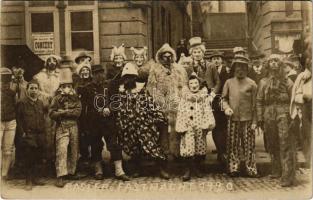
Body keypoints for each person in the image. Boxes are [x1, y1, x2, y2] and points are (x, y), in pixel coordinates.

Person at [115, 63, 170, 179]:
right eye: (126, 78)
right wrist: (122, 124)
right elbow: (120, 111)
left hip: (144, 124)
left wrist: (158, 117)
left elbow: (151, 105)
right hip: (129, 126)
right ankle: (137, 169)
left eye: (131, 77)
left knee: (151, 145)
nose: (129, 80)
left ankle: (161, 168)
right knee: (132, 147)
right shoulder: (122, 94)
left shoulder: (142, 91)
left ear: (135, 78)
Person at [79, 64, 130, 181]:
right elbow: (86, 107)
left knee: (114, 144)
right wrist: (98, 111)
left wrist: (110, 109)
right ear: (92, 74)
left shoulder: (110, 85)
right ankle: (98, 169)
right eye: (96, 73)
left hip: (109, 121)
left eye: (101, 72)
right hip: (94, 122)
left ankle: (119, 170)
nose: (99, 75)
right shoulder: (88, 88)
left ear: (104, 73)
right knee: (95, 144)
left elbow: (116, 101)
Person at [256, 54, 295, 187]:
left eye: (276, 61)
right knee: (272, 143)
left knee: (285, 143)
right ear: (267, 64)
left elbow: (293, 100)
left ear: (280, 64)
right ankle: (276, 169)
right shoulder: (263, 82)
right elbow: (259, 101)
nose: (273, 63)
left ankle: (288, 175)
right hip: (268, 114)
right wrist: (260, 117)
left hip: (283, 113)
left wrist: (293, 116)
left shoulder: (287, 81)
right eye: (271, 61)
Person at [146, 43, 188, 158]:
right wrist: (160, 102)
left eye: (170, 56)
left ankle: (177, 154)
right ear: (160, 56)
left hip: (176, 104)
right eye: (165, 56)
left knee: (177, 130)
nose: (167, 58)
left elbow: (184, 85)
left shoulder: (179, 69)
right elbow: (151, 87)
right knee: (163, 131)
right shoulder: (155, 69)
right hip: (161, 105)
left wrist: (179, 99)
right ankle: (164, 156)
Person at [222, 55, 259, 178]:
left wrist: (255, 121)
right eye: (238, 66)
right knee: (233, 144)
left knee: (249, 145)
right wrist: (226, 108)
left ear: (247, 69)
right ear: (234, 68)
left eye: (243, 67)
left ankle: (251, 168)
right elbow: (224, 99)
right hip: (233, 119)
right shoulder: (228, 82)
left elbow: (256, 104)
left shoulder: (252, 84)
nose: (240, 69)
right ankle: (234, 168)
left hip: (248, 120)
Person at [176, 73, 215, 181]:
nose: (194, 85)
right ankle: (187, 170)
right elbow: (180, 112)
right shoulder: (184, 98)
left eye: (196, 83)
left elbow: (207, 111)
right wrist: (181, 126)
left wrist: (207, 124)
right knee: (188, 148)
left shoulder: (203, 98)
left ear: (199, 84)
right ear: (188, 86)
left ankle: (197, 168)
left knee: (200, 148)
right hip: (188, 126)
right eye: (191, 83)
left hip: (200, 126)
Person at [49, 62, 82, 187]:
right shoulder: (57, 99)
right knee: (62, 150)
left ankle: (71, 171)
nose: (67, 88)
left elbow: (78, 111)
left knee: (74, 149)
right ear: (61, 87)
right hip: (62, 126)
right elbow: (51, 113)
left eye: (69, 86)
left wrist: (65, 112)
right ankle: (60, 175)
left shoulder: (75, 98)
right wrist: (61, 114)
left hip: (74, 125)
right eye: (64, 86)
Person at [16, 80, 46, 190]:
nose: (34, 90)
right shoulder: (22, 103)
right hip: (28, 135)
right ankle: (28, 180)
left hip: (40, 134)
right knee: (29, 157)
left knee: (38, 156)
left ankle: (36, 178)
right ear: (27, 90)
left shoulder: (40, 103)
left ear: (38, 90)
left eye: (36, 88)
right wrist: (22, 133)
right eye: (31, 88)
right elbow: (18, 120)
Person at [33, 54, 61, 167]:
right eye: (49, 61)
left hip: (57, 108)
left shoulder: (60, 76)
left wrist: (56, 97)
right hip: (45, 109)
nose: (52, 63)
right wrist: (46, 97)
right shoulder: (39, 76)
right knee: (46, 134)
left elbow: (64, 88)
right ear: (46, 63)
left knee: (57, 134)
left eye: (54, 61)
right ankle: (46, 160)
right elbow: (37, 91)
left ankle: (56, 161)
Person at [209, 50, 230, 164]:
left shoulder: (226, 70)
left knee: (224, 126)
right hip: (213, 101)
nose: (216, 60)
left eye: (218, 58)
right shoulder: (210, 70)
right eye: (213, 59)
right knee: (215, 126)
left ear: (222, 60)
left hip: (224, 100)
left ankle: (224, 150)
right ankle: (219, 150)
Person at [1, 67, 17, 183]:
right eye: (2, 78)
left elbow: (16, 105)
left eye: (7, 78)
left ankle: (4, 173)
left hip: (11, 121)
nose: (4, 81)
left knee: (8, 149)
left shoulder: (13, 91)